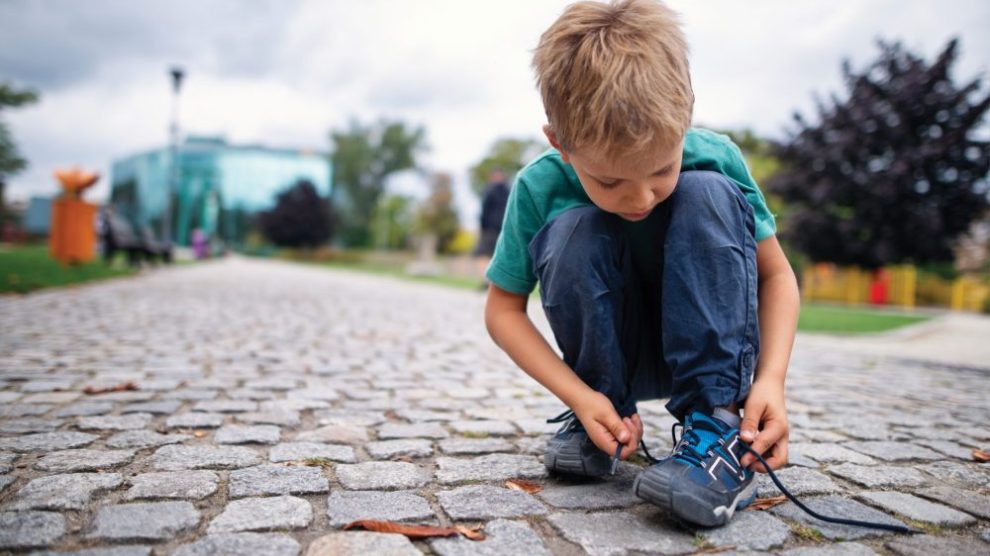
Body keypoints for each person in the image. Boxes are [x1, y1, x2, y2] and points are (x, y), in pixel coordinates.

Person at [484, 0, 800, 528]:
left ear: (686, 116)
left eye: (661, 169)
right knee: (573, 230)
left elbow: (778, 276)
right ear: (559, 143)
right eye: (608, 180)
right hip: (612, 357)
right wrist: (580, 396)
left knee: (707, 194)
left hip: (710, 351)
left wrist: (771, 382)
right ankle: (602, 416)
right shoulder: (539, 186)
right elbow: (502, 311)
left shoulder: (714, 155)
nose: (640, 197)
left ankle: (717, 429)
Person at [475, 169, 510, 288]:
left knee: (483, 254)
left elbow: (484, 209)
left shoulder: (489, 189)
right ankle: (497, 283)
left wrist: (482, 226)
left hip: (490, 228)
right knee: (500, 254)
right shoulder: (509, 190)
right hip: (505, 227)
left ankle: (486, 281)